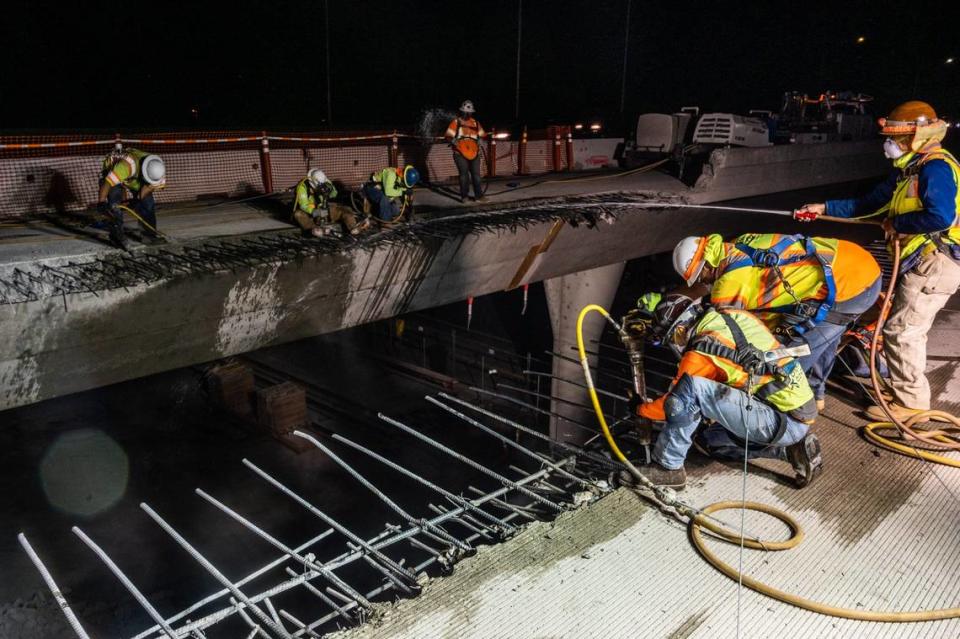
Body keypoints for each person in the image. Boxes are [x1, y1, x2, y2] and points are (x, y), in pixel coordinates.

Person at [794, 100, 960, 423]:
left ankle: (911, 406)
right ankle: (904, 393)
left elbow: (941, 216)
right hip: (924, 264)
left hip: (935, 264)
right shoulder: (911, 170)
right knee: (902, 328)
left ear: (916, 138)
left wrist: (898, 225)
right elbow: (866, 204)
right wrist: (823, 208)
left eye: (895, 140)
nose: (889, 145)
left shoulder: (935, 168)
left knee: (903, 332)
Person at [672, 233, 881, 410]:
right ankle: (817, 394)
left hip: (850, 289)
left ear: (707, 265)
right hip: (857, 263)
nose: (704, 282)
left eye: (701, 277)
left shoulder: (727, 286)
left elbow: (735, 333)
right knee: (827, 337)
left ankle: (796, 415)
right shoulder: (742, 241)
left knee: (784, 361)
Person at [634, 292, 822, 489]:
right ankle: (792, 451)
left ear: (681, 328)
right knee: (709, 442)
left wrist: (641, 409)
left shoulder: (700, 352)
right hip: (796, 411)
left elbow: (672, 403)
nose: (677, 342)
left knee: (689, 390)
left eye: (674, 337)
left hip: (781, 421)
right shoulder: (734, 315)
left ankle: (668, 468)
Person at [97, 148, 166, 248]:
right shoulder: (126, 166)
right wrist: (101, 202)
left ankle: (149, 236)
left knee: (148, 203)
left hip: (133, 178)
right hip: (112, 172)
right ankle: (117, 237)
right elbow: (108, 182)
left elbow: (148, 189)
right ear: (143, 173)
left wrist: (139, 200)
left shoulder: (158, 171)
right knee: (114, 206)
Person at [293, 169, 364, 237]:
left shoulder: (325, 181)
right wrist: (317, 212)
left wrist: (330, 190)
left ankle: (353, 227)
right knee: (298, 214)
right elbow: (303, 205)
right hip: (312, 212)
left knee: (345, 209)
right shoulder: (302, 187)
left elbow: (334, 194)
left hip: (324, 208)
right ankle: (315, 230)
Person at [445, 100, 487, 203]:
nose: (468, 114)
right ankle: (464, 197)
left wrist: (482, 140)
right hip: (460, 153)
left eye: (469, 112)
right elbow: (447, 136)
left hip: (474, 153)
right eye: (466, 112)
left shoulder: (476, 123)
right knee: (464, 176)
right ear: (462, 112)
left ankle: (479, 196)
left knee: (476, 176)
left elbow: (482, 135)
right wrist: (452, 140)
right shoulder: (456, 122)